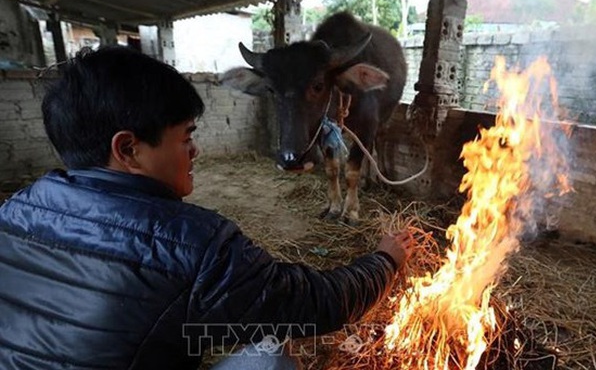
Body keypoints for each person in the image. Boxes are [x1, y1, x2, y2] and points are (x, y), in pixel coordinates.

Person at [0, 46, 414, 370]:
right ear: (128, 149)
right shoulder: (194, 246)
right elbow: (316, 304)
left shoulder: (15, 210)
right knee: (270, 355)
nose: (195, 150)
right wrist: (385, 260)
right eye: (185, 137)